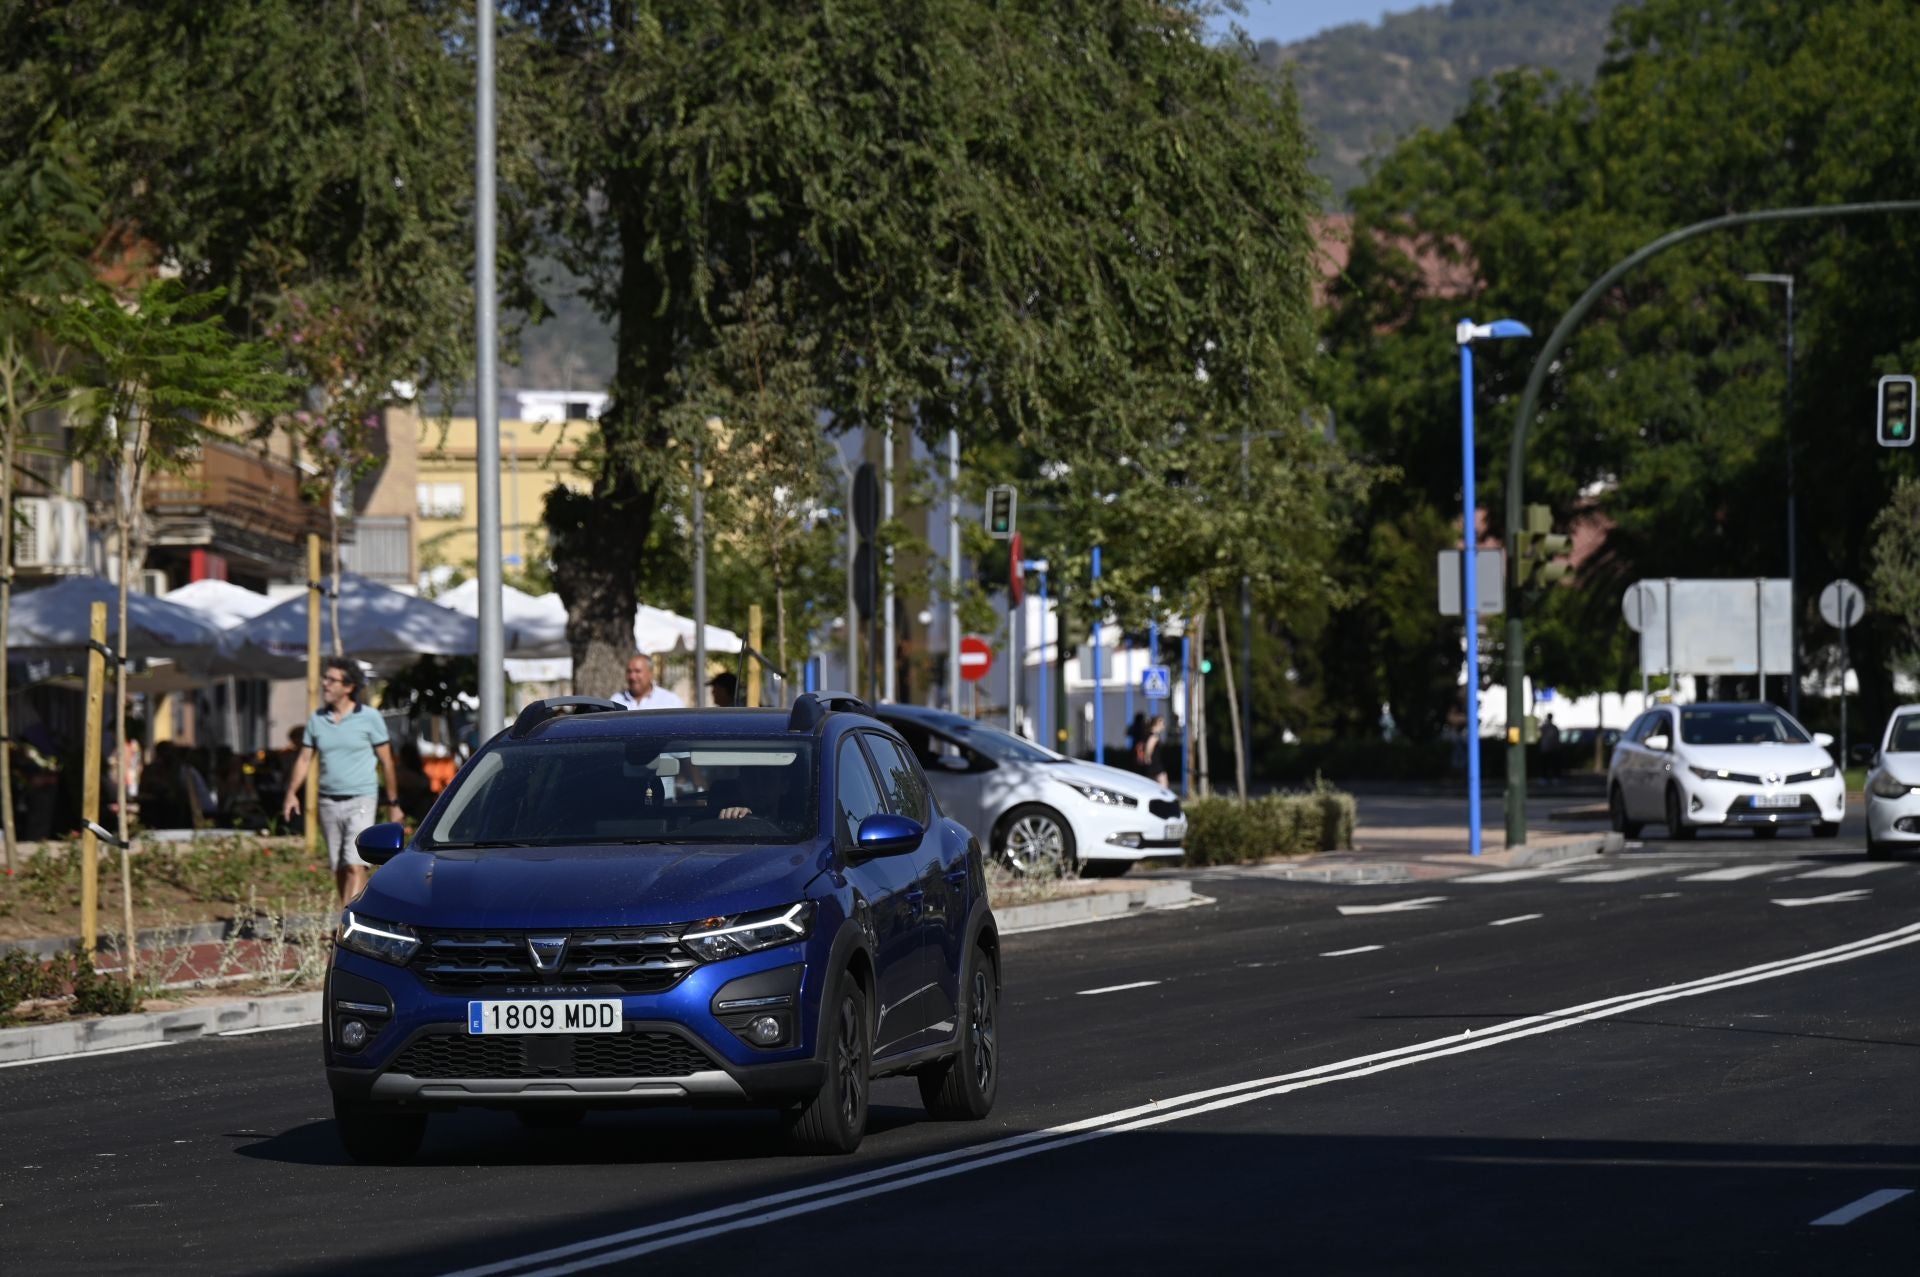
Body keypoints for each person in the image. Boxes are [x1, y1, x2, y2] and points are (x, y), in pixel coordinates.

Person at [282, 657, 404, 904]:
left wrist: (393, 803)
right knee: (339, 867)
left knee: (355, 864)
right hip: (328, 801)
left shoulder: (369, 717)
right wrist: (292, 793)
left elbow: (387, 761)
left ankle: (346, 919)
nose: (325, 684)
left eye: (331, 680)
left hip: (362, 799)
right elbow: (304, 759)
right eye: (324, 678)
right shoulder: (317, 719)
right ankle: (350, 912)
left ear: (348, 687)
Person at [610, 652, 685, 710]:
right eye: (629, 671)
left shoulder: (670, 701)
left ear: (650, 673)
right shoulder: (616, 700)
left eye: (637, 671)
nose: (632, 677)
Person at [1539, 712, 1563, 784]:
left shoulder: (1548, 727)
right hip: (1550, 748)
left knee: (1548, 764)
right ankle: (1550, 778)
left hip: (1548, 748)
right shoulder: (1552, 727)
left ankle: (1547, 778)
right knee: (1549, 764)